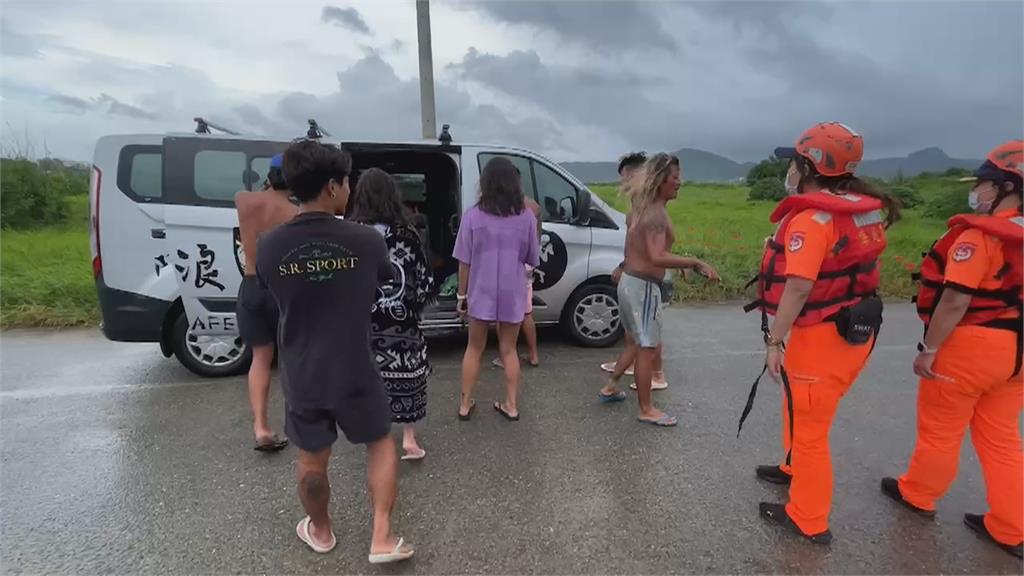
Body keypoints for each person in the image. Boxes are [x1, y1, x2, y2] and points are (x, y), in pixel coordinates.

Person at [738, 122, 898, 544]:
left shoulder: (811, 219)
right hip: (852, 330)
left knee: (811, 430)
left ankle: (808, 518)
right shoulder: (858, 209)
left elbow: (799, 285)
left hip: (822, 336)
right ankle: (792, 467)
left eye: (793, 162)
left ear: (808, 166)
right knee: (801, 411)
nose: (788, 171)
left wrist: (774, 341)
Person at [255, 140, 413, 563]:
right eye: (346, 181)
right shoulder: (366, 242)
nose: (350, 189)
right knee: (380, 443)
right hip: (356, 366)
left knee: (311, 459)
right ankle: (381, 537)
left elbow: (270, 290)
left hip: (304, 371)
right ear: (331, 187)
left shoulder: (269, 246)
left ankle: (320, 531)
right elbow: (380, 281)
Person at [881, 140, 1023, 559]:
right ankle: (1011, 527)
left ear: (1004, 187)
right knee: (1003, 439)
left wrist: (929, 348)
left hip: (974, 345)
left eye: (983, 183)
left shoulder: (980, 237)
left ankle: (919, 495)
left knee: (941, 428)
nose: (977, 190)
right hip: (1018, 354)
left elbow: (956, 300)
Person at [598, 153, 720, 426]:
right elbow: (655, 255)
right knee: (646, 348)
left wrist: (679, 266)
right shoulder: (654, 214)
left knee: (636, 342)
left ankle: (610, 386)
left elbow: (648, 250)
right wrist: (694, 261)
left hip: (632, 283)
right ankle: (646, 408)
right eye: (675, 177)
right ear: (661, 180)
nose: (680, 183)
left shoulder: (643, 208)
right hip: (642, 288)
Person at [347, 168, 437, 461]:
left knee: (369, 380)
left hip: (362, 327)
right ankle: (409, 439)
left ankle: (376, 436)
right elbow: (424, 283)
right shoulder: (408, 234)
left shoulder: (350, 234)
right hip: (403, 325)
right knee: (410, 377)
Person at [455, 156, 540, 422]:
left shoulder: (472, 216)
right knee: (509, 350)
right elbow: (531, 257)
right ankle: (511, 405)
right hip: (512, 290)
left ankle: (465, 405)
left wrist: (461, 295)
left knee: (474, 348)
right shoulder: (526, 217)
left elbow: (464, 261)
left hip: (481, 290)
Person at [234, 153, 296, 452]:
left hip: (251, 283)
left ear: (269, 177)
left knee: (260, 358)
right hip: (281, 288)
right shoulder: (294, 212)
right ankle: (296, 422)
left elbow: (256, 196)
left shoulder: (245, 201)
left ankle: (260, 426)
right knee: (290, 357)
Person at [599, 152, 669, 391]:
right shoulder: (637, 205)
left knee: (648, 332)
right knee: (635, 330)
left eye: (627, 177)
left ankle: (656, 374)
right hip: (635, 274)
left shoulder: (652, 207)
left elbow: (656, 249)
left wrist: (690, 263)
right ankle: (626, 371)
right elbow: (634, 246)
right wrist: (623, 266)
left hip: (647, 278)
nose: (624, 184)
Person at [492, 194, 542, 369]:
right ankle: (534, 354)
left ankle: (506, 355)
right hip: (528, 264)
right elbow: (537, 237)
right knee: (526, 312)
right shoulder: (533, 205)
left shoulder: (505, 206)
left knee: (502, 313)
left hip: (512, 264)